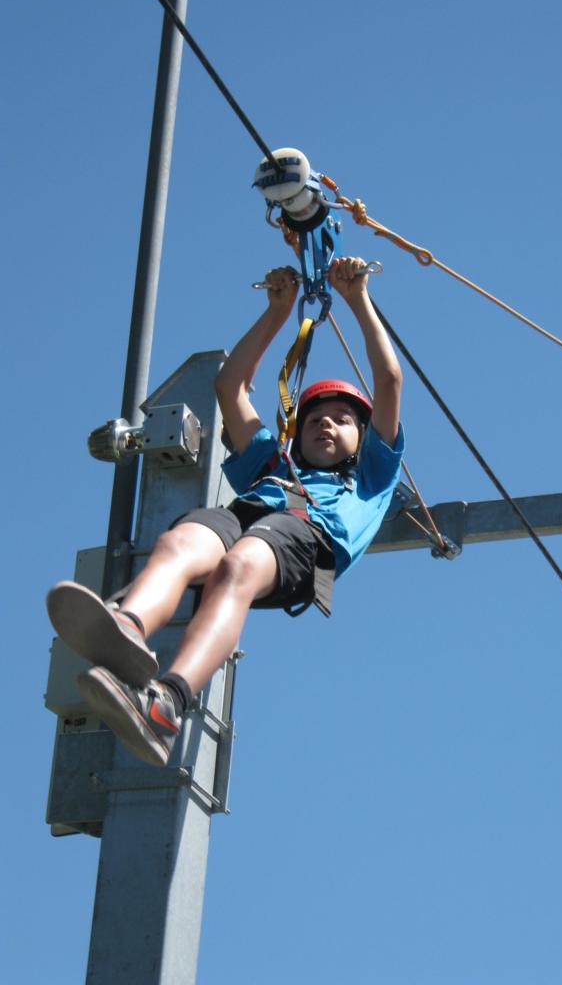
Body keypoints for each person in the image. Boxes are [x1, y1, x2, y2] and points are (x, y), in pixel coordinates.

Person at [47, 257, 404, 766]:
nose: (326, 425)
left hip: (311, 540)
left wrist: (358, 299)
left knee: (240, 564)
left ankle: (168, 702)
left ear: (363, 438)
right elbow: (229, 387)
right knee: (179, 542)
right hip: (250, 515)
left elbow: (388, 381)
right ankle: (129, 624)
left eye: (342, 420)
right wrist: (276, 312)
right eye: (315, 420)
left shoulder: (371, 474)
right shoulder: (273, 463)